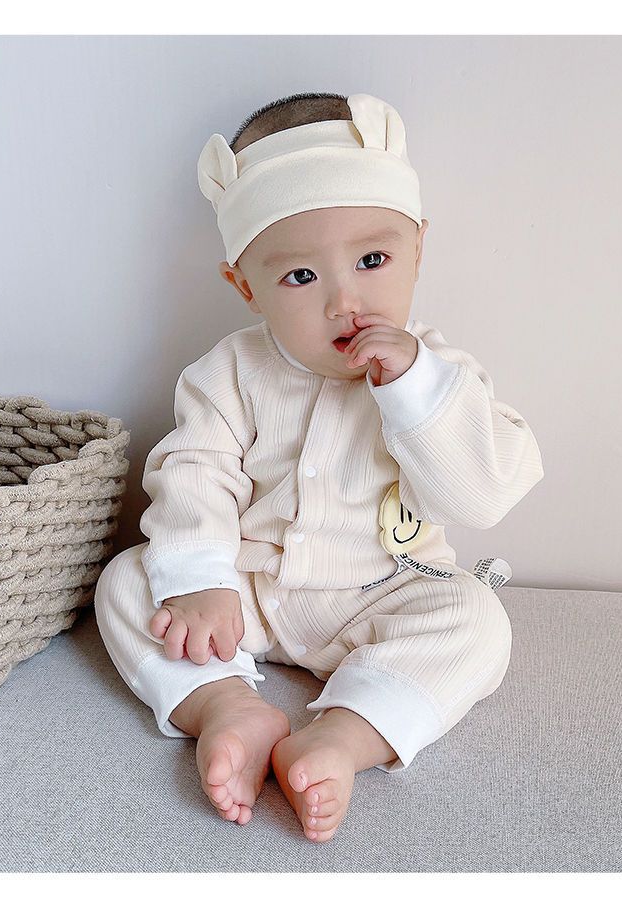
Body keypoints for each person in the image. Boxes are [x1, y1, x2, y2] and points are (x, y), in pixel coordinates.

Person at [94, 91, 545, 843]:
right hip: (248, 594)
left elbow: (481, 496)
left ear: (417, 248)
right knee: (131, 580)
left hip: (384, 593)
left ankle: (344, 733)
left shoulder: (443, 378)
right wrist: (201, 580)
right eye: (300, 277)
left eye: (373, 260)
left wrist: (414, 390)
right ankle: (226, 705)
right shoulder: (228, 373)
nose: (345, 300)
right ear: (246, 284)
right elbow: (194, 474)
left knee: (477, 622)